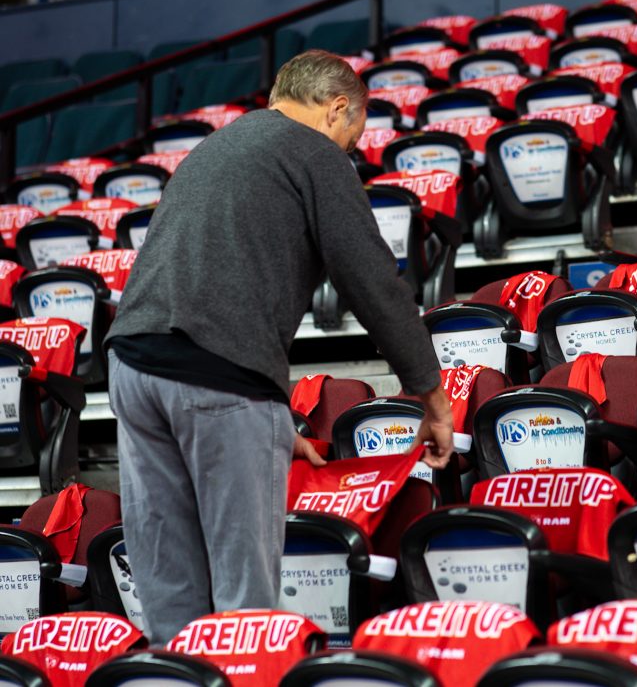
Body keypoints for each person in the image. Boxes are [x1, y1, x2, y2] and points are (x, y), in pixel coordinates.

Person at [105, 50, 454, 644]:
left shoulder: (214, 147)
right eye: (352, 138)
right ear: (337, 108)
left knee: (168, 587)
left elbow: (206, 282)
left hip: (134, 370)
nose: (348, 151)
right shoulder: (314, 152)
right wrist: (431, 393)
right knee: (246, 604)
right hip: (217, 378)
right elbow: (370, 280)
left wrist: (269, 420)